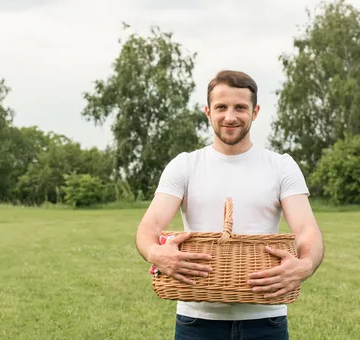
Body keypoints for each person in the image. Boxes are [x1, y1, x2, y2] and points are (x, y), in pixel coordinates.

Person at [135, 70, 325, 340]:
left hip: (266, 319)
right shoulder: (185, 165)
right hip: (196, 321)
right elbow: (148, 227)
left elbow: (308, 232)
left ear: (255, 112)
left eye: (240, 107)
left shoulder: (281, 166)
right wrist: (156, 253)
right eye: (221, 107)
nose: (230, 116)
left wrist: (304, 266)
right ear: (208, 111)